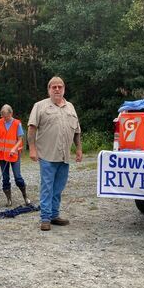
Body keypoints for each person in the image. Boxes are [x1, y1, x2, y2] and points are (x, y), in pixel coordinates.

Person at [28, 76, 83, 231]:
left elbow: (77, 130)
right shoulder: (40, 106)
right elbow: (32, 128)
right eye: (54, 87)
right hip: (47, 155)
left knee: (58, 187)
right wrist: (32, 148)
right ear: (49, 89)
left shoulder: (70, 107)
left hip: (64, 156)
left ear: (64, 89)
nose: (57, 89)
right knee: (47, 187)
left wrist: (78, 149)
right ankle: (45, 218)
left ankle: (54, 215)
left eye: (60, 86)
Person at [0, 104, 30, 206]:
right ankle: (9, 200)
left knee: (18, 177)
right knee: (5, 178)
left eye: (7, 116)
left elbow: (20, 139)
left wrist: (14, 148)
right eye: (3, 116)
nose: (5, 119)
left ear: (11, 113)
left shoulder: (17, 124)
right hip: (2, 155)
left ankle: (25, 196)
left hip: (14, 154)